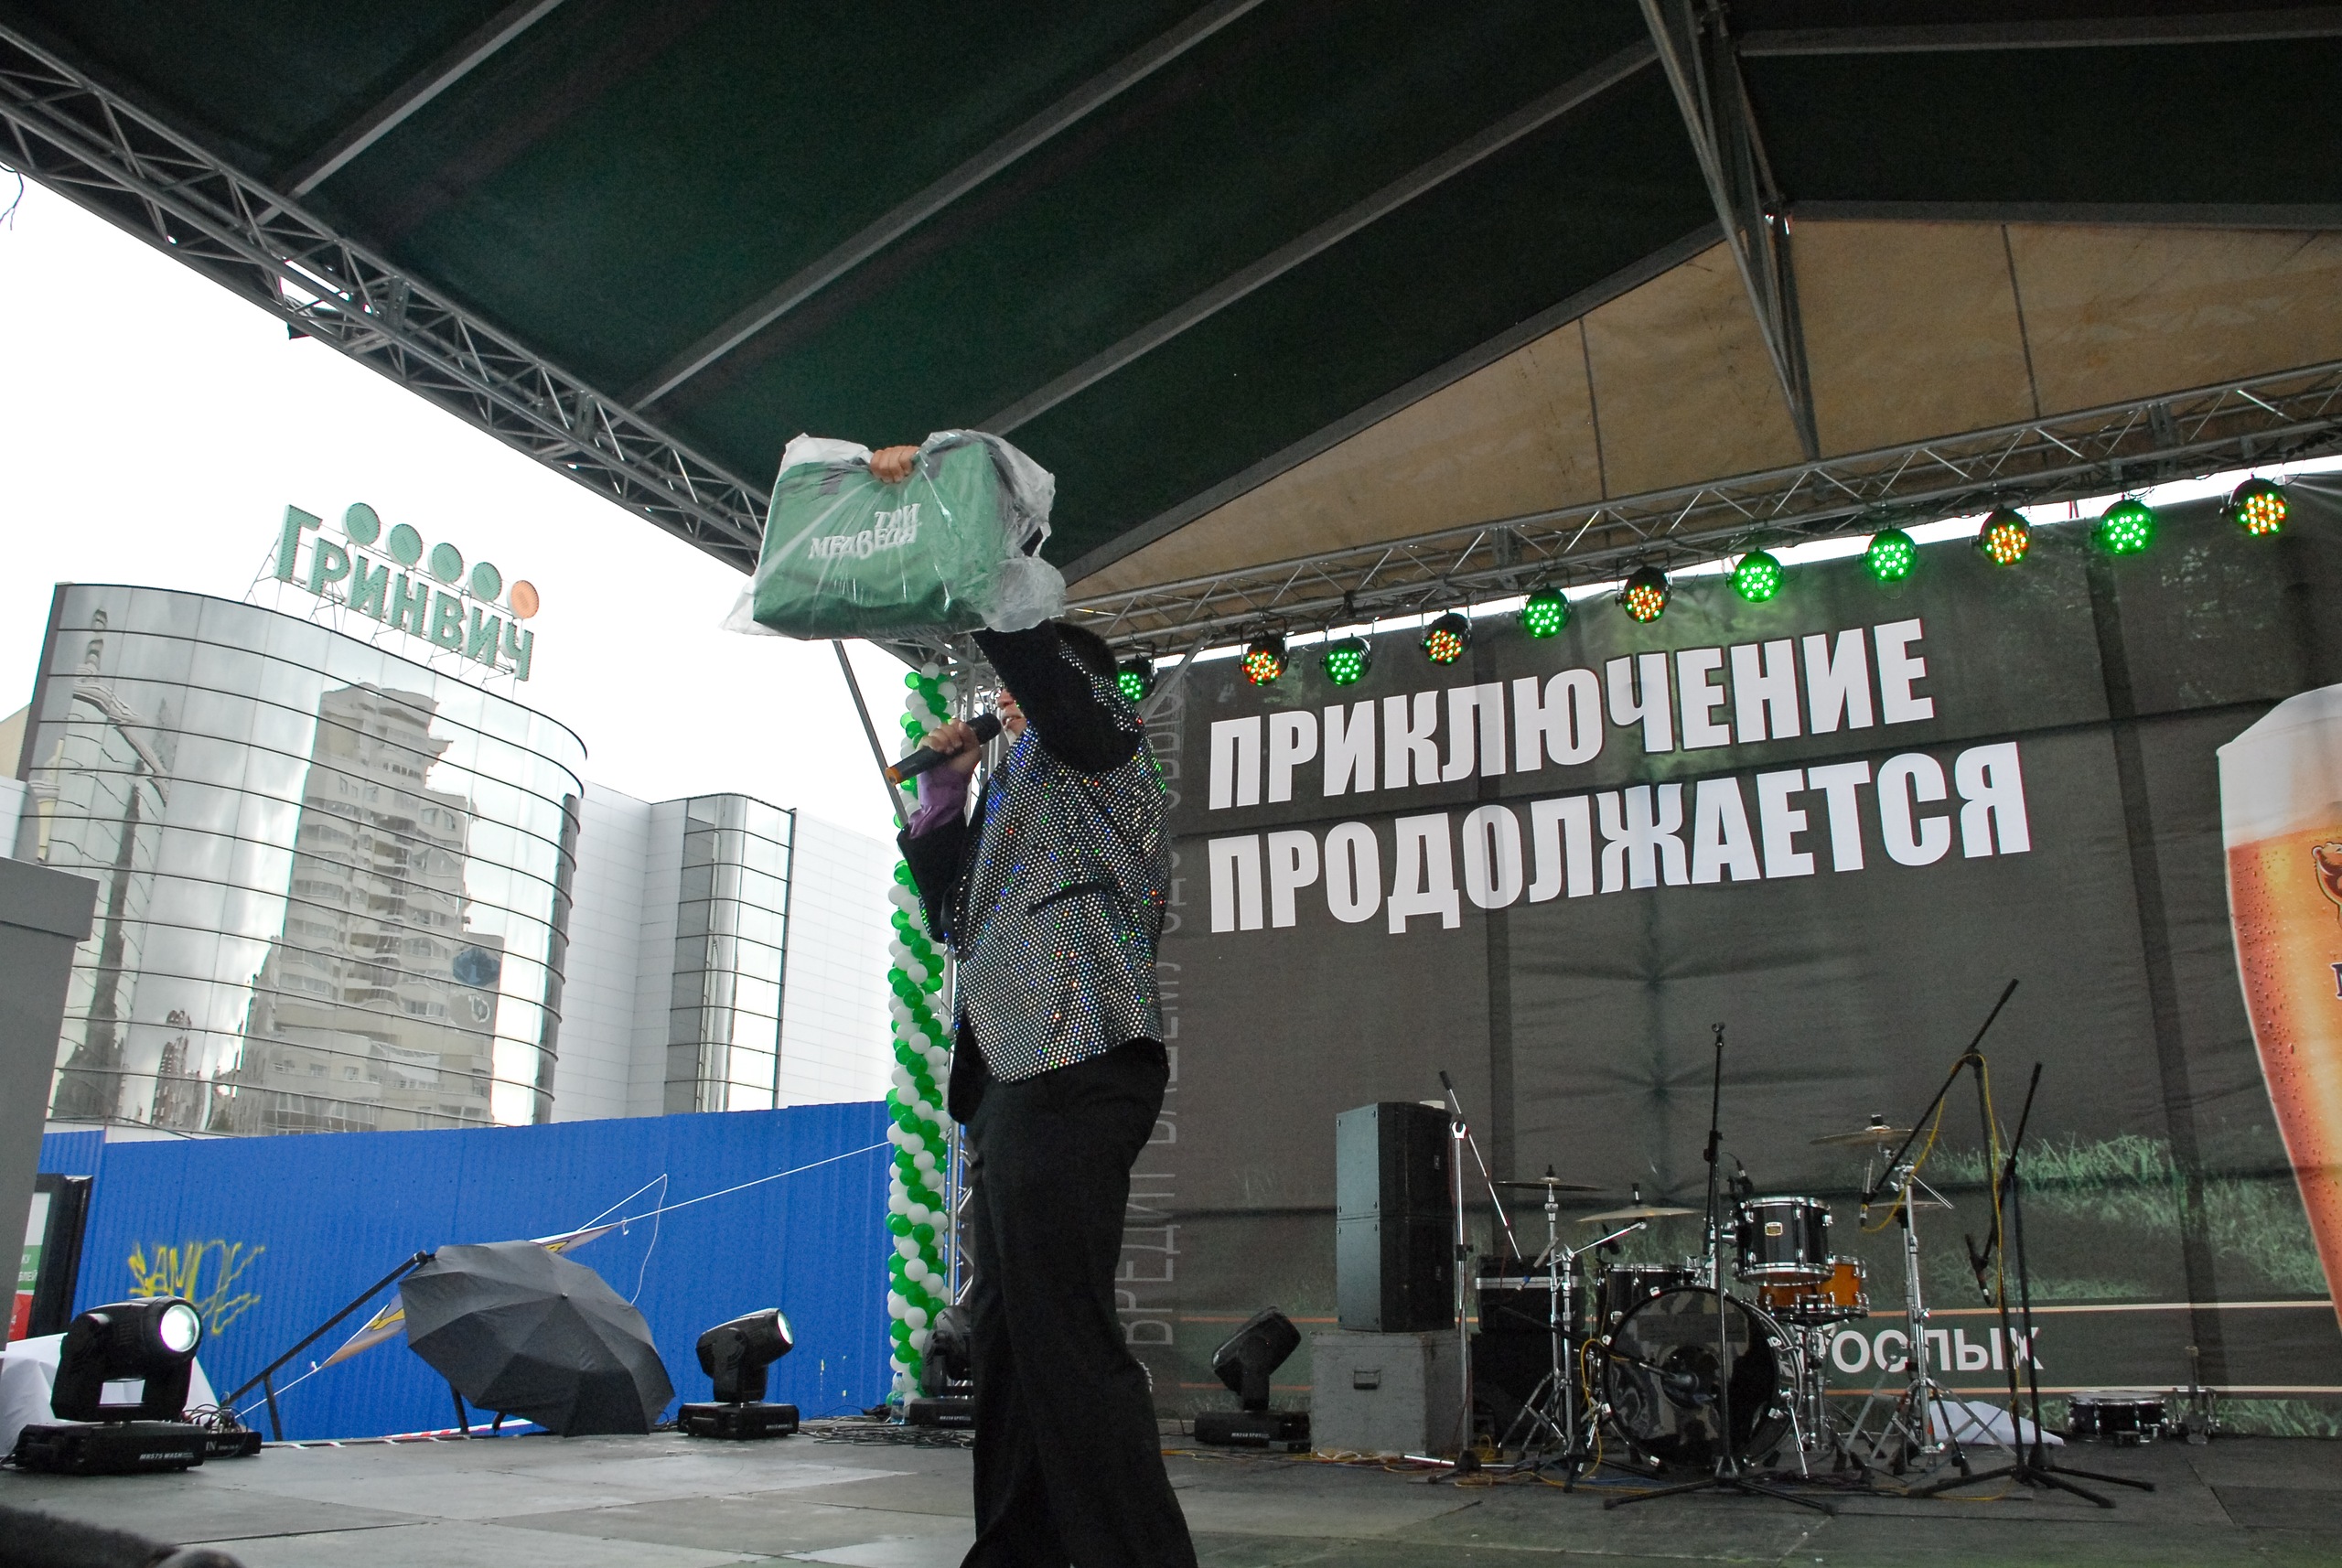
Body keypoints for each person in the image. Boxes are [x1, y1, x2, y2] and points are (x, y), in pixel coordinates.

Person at [879, 445, 1194, 1568]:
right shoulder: (1013, 794)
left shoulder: (1106, 750)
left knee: (1062, 1328)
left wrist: (983, 550)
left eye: (1016, 688)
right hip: (1010, 1073)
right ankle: (1015, 1550)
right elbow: (952, 914)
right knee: (1007, 1336)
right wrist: (941, 793)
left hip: (1078, 1059)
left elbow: (1048, 675)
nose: (999, 703)